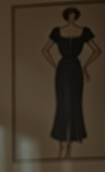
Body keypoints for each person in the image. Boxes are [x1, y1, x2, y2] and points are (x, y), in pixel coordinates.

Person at [42, 6, 100, 159]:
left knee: (74, 105)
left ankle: (69, 147)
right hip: (62, 70)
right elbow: (45, 50)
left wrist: (86, 66)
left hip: (76, 70)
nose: (72, 17)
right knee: (62, 105)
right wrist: (54, 65)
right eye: (70, 15)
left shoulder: (84, 31)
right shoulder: (57, 31)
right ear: (66, 16)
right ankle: (60, 144)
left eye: (74, 15)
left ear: (77, 16)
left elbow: (97, 50)